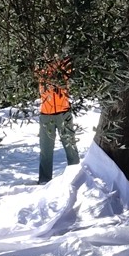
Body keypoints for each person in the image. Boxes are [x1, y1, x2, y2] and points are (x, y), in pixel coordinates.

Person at [36, 54, 79, 183]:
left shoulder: (65, 64)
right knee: (45, 149)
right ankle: (44, 180)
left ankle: (76, 177)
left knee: (70, 147)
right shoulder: (40, 66)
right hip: (46, 114)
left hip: (64, 112)